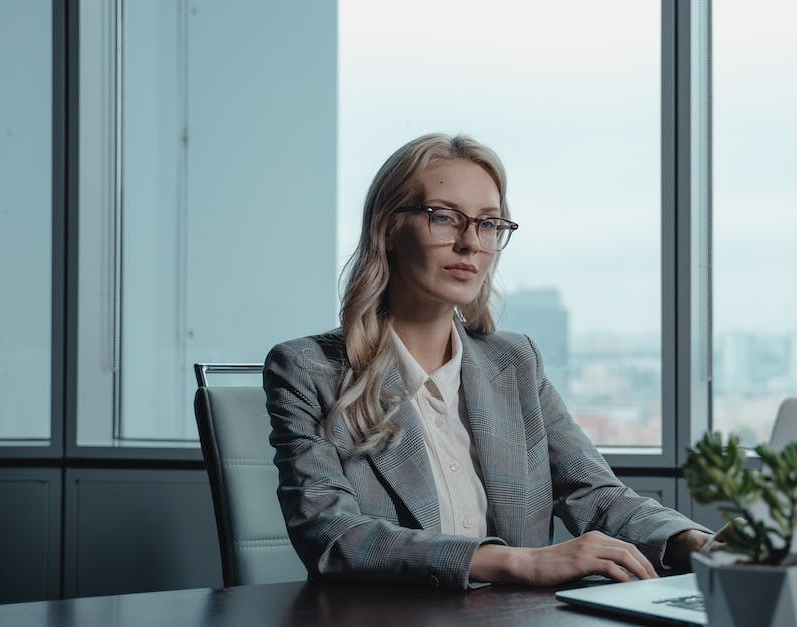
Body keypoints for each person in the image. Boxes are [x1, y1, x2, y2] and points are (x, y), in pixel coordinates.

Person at [263, 133, 713, 590]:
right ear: (389, 229)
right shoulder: (307, 370)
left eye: (489, 224)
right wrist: (518, 562)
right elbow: (334, 536)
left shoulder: (515, 362)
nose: (470, 243)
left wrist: (697, 544)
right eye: (445, 218)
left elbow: (596, 495)